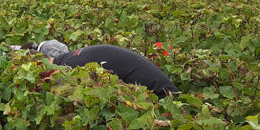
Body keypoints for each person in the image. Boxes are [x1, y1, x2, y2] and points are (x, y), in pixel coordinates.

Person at [34, 40, 178, 98]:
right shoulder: (74, 56)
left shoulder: (70, 69)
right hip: (164, 90)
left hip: (163, 97)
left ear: (43, 64)